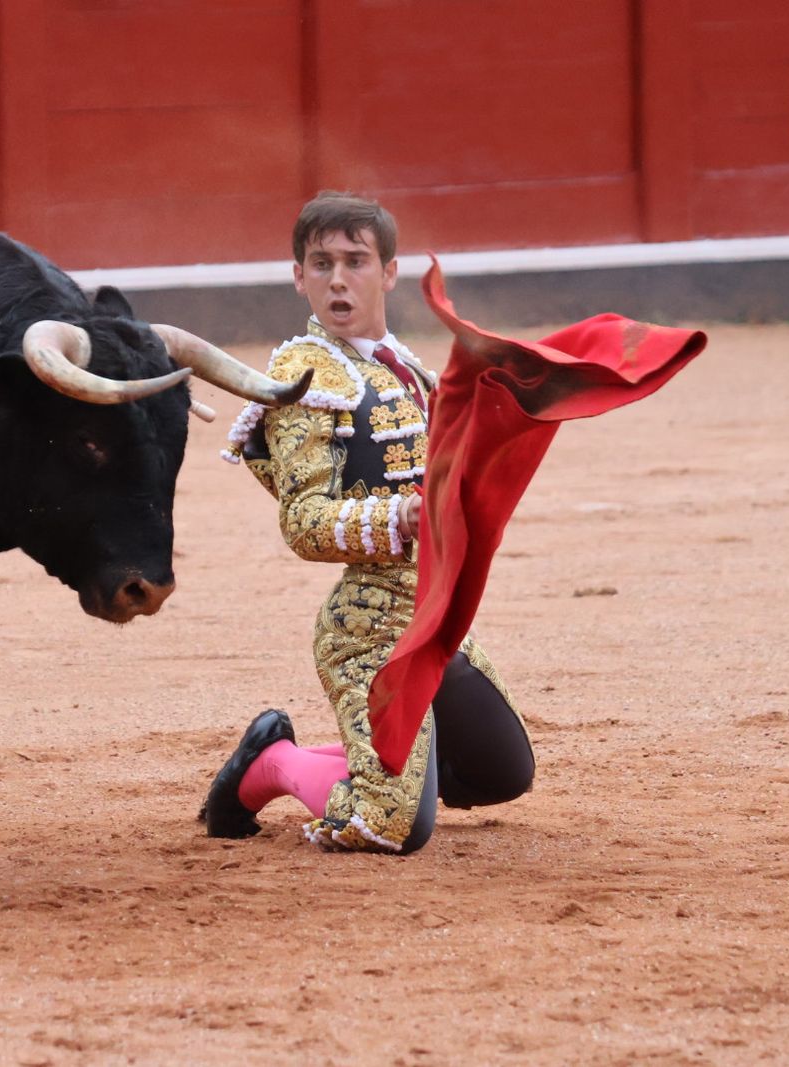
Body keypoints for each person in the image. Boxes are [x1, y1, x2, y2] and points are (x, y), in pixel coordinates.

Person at [202, 191, 535, 854]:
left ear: (388, 272)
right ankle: (272, 764)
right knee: (389, 823)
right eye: (320, 263)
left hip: (434, 618)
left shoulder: (405, 367)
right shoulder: (304, 375)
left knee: (498, 773)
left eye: (355, 261)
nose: (337, 279)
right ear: (298, 276)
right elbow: (304, 519)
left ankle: (374, 763)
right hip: (367, 630)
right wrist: (401, 515)